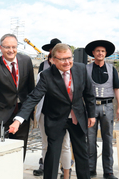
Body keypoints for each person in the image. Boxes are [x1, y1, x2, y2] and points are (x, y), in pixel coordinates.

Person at [9, 43, 96, 179]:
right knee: (52, 154)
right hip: (56, 118)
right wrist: (18, 119)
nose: (67, 62)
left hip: (77, 117)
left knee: (81, 154)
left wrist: (91, 114)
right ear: (53, 60)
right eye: (62, 59)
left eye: (69, 58)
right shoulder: (46, 76)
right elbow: (33, 97)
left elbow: (89, 93)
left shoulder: (81, 69)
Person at [0, 34, 35, 159]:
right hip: (3, 113)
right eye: (7, 47)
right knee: (1, 151)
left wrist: (30, 111)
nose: (11, 50)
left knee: (20, 149)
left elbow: (31, 89)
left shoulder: (26, 61)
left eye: (14, 47)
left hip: (22, 112)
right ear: (0, 48)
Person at [85, 40, 119, 179]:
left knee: (108, 138)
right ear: (93, 53)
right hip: (90, 107)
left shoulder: (112, 69)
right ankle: (91, 169)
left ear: (106, 54)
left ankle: (108, 171)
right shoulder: (86, 68)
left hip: (108, 106)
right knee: (90, 139)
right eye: (98, 51)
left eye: (103, 51)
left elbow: (117, 88)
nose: (100, 53)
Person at [34, 55, 72, 179]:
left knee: (65, 145)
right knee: (45, 145)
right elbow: (37, 95)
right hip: (45, 114)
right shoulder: (43, 73)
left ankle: (66, 173)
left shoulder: (69, 74)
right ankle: (49, 172)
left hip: (63, 115)